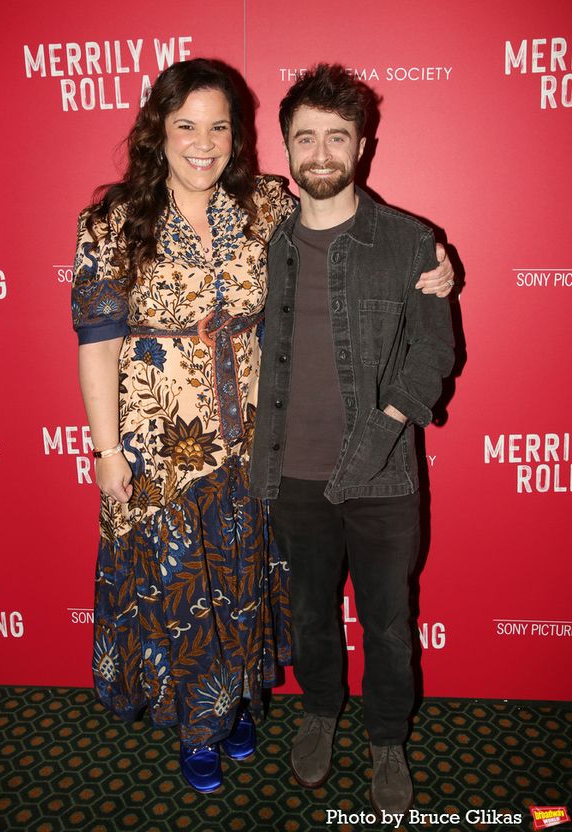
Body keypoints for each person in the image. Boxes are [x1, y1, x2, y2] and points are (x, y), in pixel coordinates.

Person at [72, 58, 454, 794]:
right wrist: (105, 450)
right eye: (186, 124)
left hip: (251, 447)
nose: (203, 141)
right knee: (182, 591)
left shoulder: (261, 207)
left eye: (219, 125)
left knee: (246, 588)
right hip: (159, 448)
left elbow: (360, 230)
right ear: (160, 129)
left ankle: (247, 707)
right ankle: (198, 729)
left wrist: (435, 262)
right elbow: (97, 344)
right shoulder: (113, 221)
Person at [249, 64, 455, 814]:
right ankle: (320, 712)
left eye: (338, 135)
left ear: (362, 145)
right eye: (306, 137)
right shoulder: (259, 241)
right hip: (289, 472)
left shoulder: (408, 242)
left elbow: (435, 352)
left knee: (388, 622)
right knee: (307, 616)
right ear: (287, 147)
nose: (322, 151)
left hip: (382, 475)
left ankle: (388, 738)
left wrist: (389, 422)